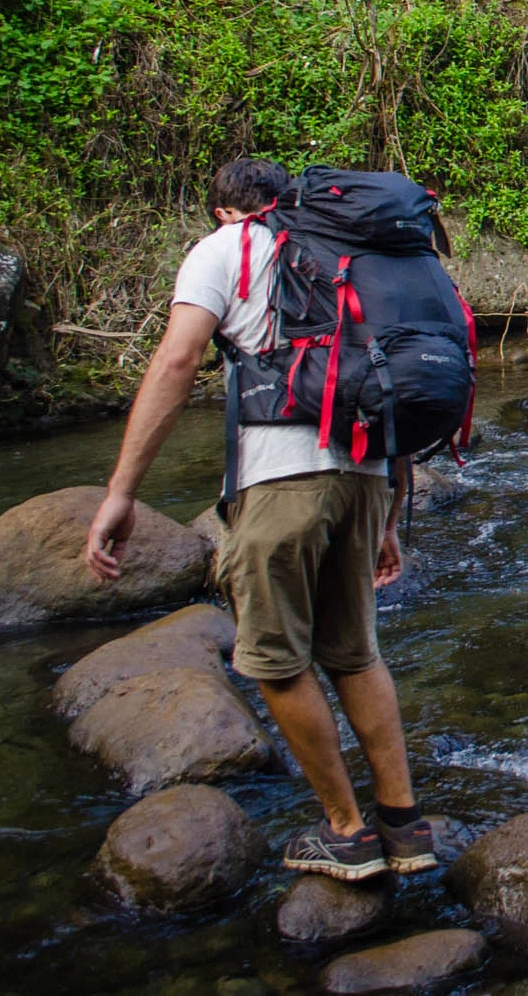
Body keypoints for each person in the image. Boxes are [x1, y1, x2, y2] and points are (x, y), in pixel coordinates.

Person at [83, 158, 436, 882]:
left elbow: (179, 361)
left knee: (275, 659)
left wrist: (121, 490)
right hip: (367, 473)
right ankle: (404, 825)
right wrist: (392, 511)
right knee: (356, 650)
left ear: (221, 210)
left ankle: (346, 830)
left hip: (279, 477)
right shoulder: (348, 256)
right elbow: (385, 377)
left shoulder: (227, 248)